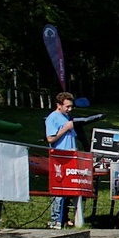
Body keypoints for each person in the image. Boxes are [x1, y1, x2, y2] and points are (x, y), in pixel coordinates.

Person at [44, 91, 77, 229]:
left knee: (69, 188)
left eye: (71, 107)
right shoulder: (53, 118)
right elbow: (50, 138)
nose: (69, 109)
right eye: (67, 107)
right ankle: (55, 218)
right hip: (59, 158)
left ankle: (64, 217)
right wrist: (65, 128)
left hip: (70, 157)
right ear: (58, 105)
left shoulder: (66, 118)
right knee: (59, 189)